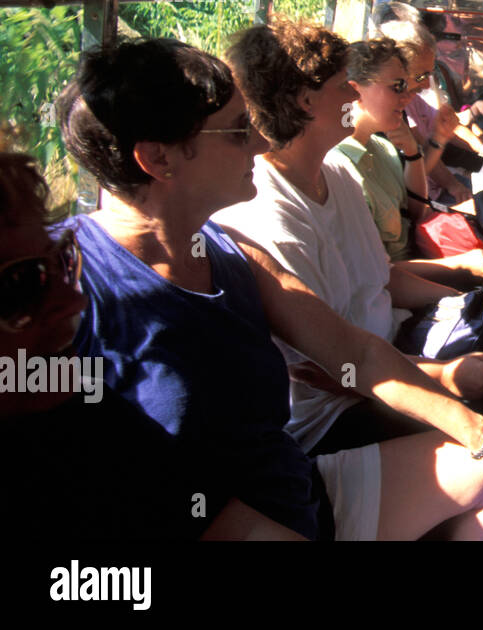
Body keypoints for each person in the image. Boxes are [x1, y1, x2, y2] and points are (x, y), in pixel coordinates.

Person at [57, 37, 483, 540]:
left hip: (295, 492)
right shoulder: (68, 291)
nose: (262, 145)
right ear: (158, 158)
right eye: (240, 131)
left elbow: (357, 356)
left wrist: (481, 438)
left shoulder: (229, 250)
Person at [215, 21, 483, 455]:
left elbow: (382, 281)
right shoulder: (269, 218)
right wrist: (444, 376)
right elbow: (327, 371)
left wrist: (468, 293)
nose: (353, 95)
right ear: (305, 100)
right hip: (340, 410)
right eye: (340, 85)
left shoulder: (337, 172)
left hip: (396, 347)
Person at [0, 150, 302, 540]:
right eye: (20, 284)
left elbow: (228, 527)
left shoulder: (79, 407)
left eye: (61, 261)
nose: (72, 301)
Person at [329, 37, 483, 284]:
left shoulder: (382, 148)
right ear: (354, 90)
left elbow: (416, 212)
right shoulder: (339, 168)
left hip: (421, 256)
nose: (408, 97)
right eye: (397, 86)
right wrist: (462, 267)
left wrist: (413, 154)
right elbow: (376, 275)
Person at [378, 16, 471, 206]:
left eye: (430, 74)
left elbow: (421, 164)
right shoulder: (368, 124)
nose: (427, 84)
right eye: (421, 75)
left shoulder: (402, 110)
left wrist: (439, 138)